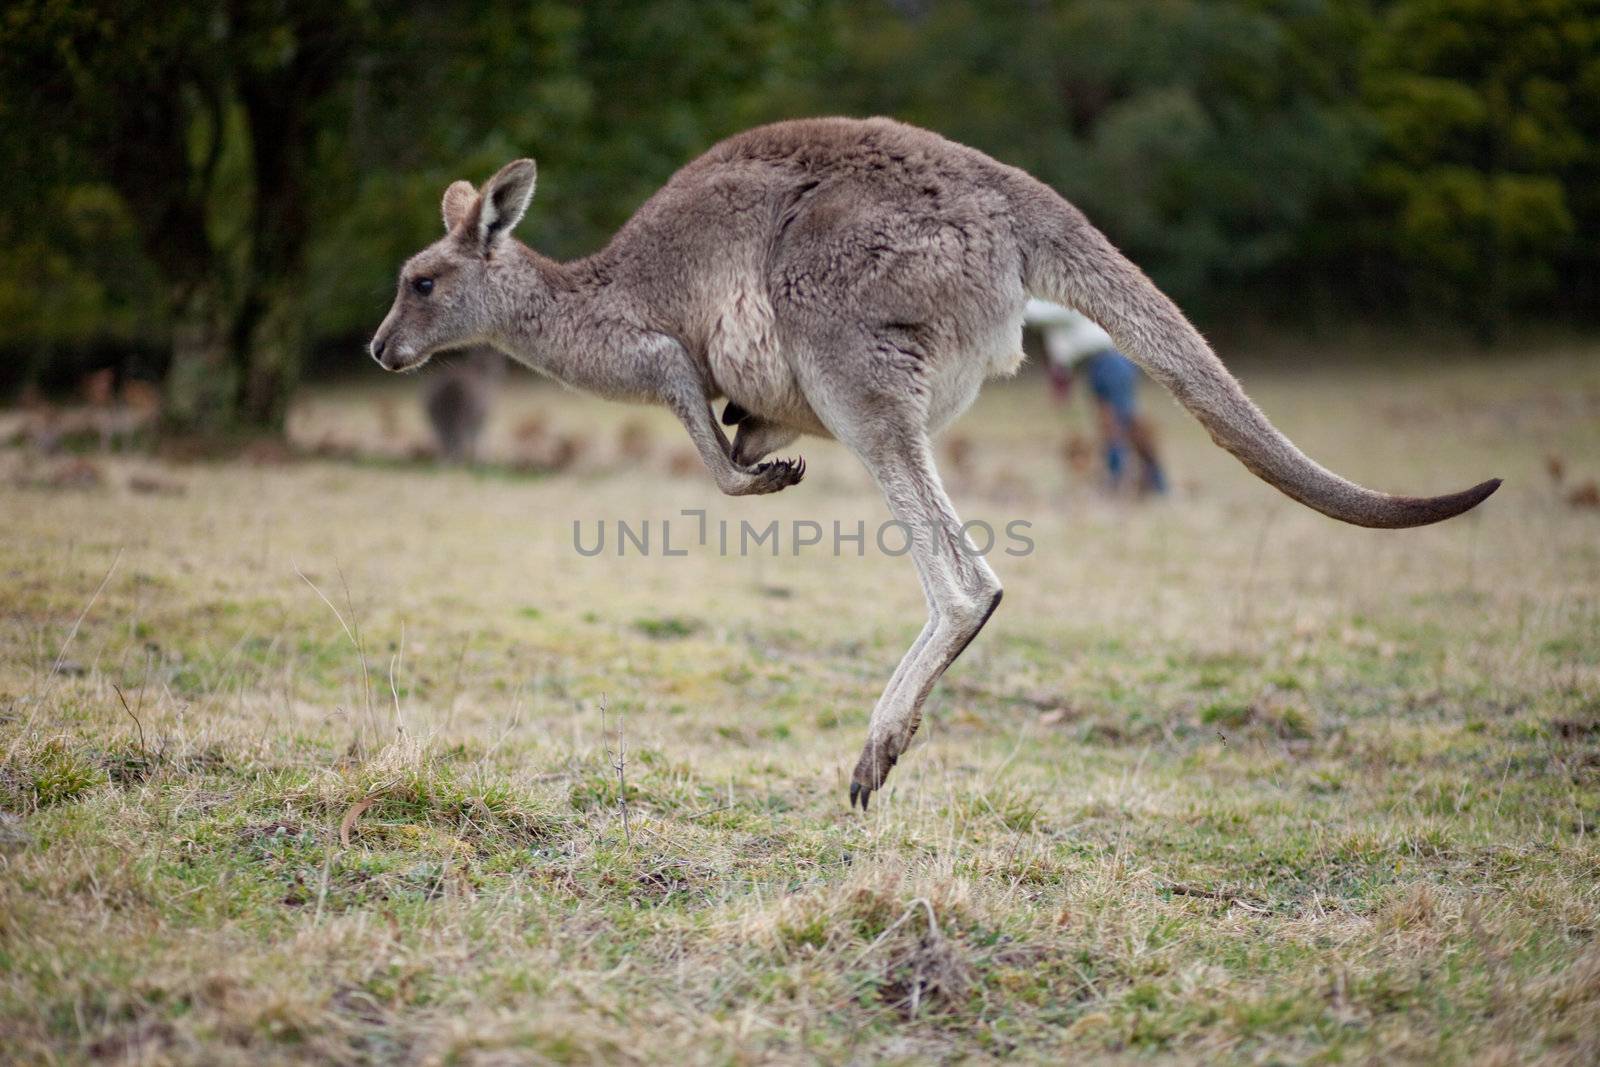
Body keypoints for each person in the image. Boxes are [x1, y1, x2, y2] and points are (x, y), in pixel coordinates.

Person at [1026, 299, 1168, 496]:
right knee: (1112, 421)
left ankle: (1143, 481)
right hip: (1100, 365)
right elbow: (1059, 343)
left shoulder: (1065, 301)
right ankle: (1132, 479)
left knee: (1120, 421)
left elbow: (1034, 313)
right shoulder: (1059, 305)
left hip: (1109, 362)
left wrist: (1010, 292)